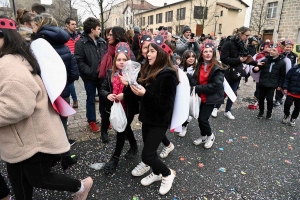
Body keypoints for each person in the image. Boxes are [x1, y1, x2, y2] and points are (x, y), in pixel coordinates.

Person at [0, 16, 92, 200]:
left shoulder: (9, 64)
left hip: (31, 139)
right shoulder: (14, 58)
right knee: (19, 179)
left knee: (39, 178)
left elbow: (18, 107)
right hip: (21, 139)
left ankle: (81, 186)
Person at [130, 31, 177, 195]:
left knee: (147, 156)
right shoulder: (149, 70)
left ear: (161, 54)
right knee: (150, 152)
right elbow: (141, 89)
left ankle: (167, 174)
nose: (147, 54)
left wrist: (145, 94)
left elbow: (166, 105)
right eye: (147, 50)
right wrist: (130, 85)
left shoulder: (168, 75)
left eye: (151, 51)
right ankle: (156, 173)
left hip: (159, 121)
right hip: (147, 118)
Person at [31, 13, 79, 166]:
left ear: (39, 25)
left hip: (43, 95)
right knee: (62, 124)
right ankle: (65, 156)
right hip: (62, 93)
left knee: (46, 126)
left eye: (33, 26)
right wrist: (62, 83)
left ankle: (50, 159)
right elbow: (74, 74)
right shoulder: (64, 44)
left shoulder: (36, 46)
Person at [100, 42, 139, 172]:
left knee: (121, 131)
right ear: (115, 60)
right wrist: (107, 95)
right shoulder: (111, 73)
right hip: (115, 108)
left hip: (128, 109)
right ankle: (134, 145)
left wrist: (125, 94)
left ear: (129, 61)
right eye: (119, 60)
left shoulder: (132, 75)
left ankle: (115, 158)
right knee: (126, 128)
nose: (121, 62)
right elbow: (103, 88)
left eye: (124, 60)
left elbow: (136, 94)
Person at [212, 26, 261, 119]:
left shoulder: (243, 44)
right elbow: (223, 59)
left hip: (237, 71)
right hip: (227, 70)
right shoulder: (228, 43)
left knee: (233, 92)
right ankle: (216, 108)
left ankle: (228, 110)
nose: (248, 37)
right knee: (223, 90)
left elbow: (246, 58)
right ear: (240, 34)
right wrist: (238, 60)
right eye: (246, 35)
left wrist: (257, 63)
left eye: (248, 35)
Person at [98, 26, 135, 142]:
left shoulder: (126, 49)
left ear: (117, 35)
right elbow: (101, 61)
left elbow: (132, 68)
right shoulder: (107, 48)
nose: (108, 37)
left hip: (123, 87)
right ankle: (104, 131)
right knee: (106, 111)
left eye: (110, 34)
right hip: (109, 82)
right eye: (107, 34)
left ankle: (127, 135)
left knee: (123, 114)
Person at [74, 17, 107, 134]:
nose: (100, 30)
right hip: (90, 78)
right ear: (92, 29)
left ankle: (105, 118)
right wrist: (91, 72)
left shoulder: (102, 42)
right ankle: (92, 121)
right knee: (91, 99)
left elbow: (106, 58)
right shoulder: (81, 43)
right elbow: (79, 61)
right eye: (98, 28)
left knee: (104, 98)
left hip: (102, 77)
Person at [190, 39, 224, 148]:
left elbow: (216, 85)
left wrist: (198, 88)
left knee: (202, 119)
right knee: (200, 118)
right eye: (205, 51)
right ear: (202, 53)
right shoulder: (199, 65)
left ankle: (210, 135)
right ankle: (203, 136)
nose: (208, 53)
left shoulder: (217, 67)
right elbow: (195, 80)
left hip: (211, 98)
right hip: (200, 97)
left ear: (213, 53)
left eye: (210, 51)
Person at [253, 44, 286, 119]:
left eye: (274, 50)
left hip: (272, 84)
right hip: (262, 83)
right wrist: (255, 69)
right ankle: (261, 112)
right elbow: (257, 68)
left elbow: (282, 75)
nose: (271, 51)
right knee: (261, 99)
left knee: (270, 99)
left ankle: (269, 112)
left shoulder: (282, 63)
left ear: (279, 53)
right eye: (271, 50)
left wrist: (280, 85)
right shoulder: (265, 60)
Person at [177, 50, 197, 137]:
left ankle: (184, 125)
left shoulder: (196, 68)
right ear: (185, 58)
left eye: (193, 56)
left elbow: (195, 82)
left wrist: (187, 75)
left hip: (190, 92)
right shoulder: (180, 67)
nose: (191, 58)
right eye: (189, 57)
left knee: (187, 110)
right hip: (180, 92)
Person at [274, 39, 298, 106]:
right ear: (284, 47)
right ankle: (277, 99)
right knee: (279, 86)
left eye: (290, 47)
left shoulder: (294, 55)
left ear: (292, 48)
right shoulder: (281, 54)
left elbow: (295, 65)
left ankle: (284, 98)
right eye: (287, 47)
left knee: (285, 86)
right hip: (281, 73)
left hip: (289, 74)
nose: (288, 48)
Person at [65, 17, 80, 108]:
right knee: (70, 82)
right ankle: (74, 100)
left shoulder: (77, 36)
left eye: (75, 24)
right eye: (72, 24)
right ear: (67, 25)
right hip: (67, 61)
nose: (75, 26)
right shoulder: (63, 36)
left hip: (77, 61)